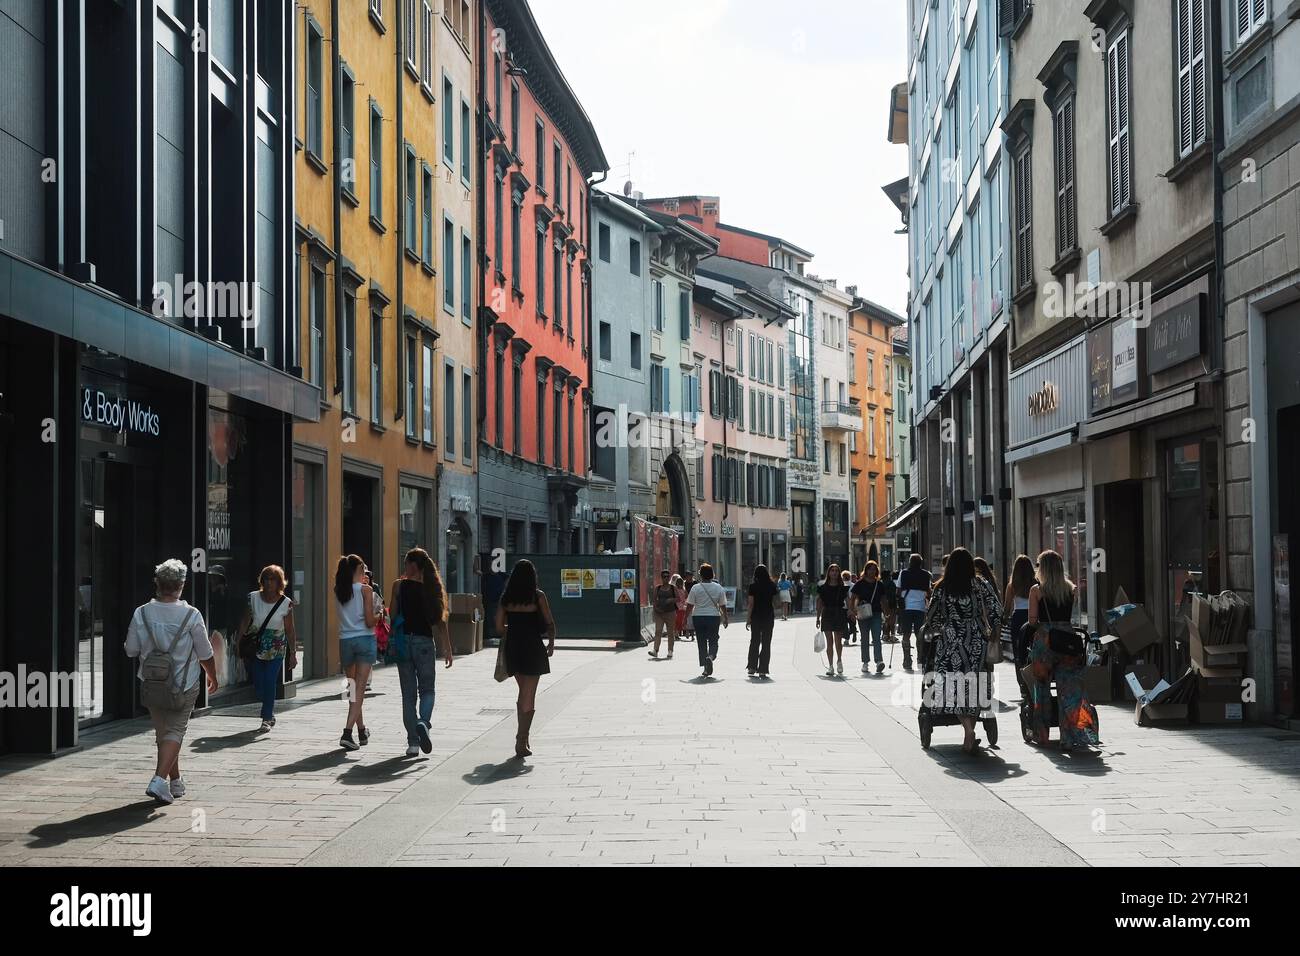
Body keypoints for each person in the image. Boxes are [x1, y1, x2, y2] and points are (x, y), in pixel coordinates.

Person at [124, 559, 218, 804]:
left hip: (151, 683)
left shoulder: (141, 612)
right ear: (182, 585)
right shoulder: (191, 614)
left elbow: (131, 650)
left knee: (164, 732)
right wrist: (212, 675)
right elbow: (205, 653)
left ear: (157, 583)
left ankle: (175, 782)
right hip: (183, 684)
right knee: (175, 731)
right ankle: (158, 780)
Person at [919, 548, 1003, 754]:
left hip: (950, 640)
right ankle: (969, 732)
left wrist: (942, 626)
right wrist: (994, 630)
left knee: (953, 686)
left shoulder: (942, 587)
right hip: (975, 638)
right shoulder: (980, 584)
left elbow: (931, 616)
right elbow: (996, 609)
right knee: (972, 686)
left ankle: (967, 730)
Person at [1025, 550, 1100, 752]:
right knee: (1070, 692)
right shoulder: (1071, 589)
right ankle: (1071, 736)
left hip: (1045, 642)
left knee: (1041, 690)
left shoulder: (1036, 590)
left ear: (1044, 568)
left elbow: (1032, 621)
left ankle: (1042, 735)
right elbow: (1068, 615)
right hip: (1067, 640)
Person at [391, 548, 455, 757]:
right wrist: (447, 648)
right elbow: (440, 622)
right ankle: (423, 722)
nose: (404, 567)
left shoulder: (398, 586)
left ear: (413, 566)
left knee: (408, 696)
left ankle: (412, 744)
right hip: (425, 643)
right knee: (427, 690)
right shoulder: (431, 589)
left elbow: (392, 615)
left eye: (406, 563)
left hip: (404, 643)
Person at [495, 559, 556, 758]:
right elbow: (550, 623)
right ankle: (522, 740)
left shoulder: (506, 598)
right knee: (528, 695)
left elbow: (498, 627)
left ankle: (523, 738)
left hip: (513, 647)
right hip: (532, 647)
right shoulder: (538, 596)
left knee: (523, 692)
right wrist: (551, 643)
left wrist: (512, 630)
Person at [233, 565, 297, 732]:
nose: (269, 583)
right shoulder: (252, 598)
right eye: (267, 579)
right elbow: (245, 622)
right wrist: (238, 643)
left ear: (279, 583)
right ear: (262, 581)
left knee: (269, 681)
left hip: (276, 647)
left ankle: (266, 717)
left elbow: (290, 629)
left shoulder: (286, 603)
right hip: (256, 646)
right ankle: (268, 710)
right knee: (259, 684)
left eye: (273, 580)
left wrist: (293, 654)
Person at [334, 554, 378, 751]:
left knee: (352, 688)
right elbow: (370, 621)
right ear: (357, 572)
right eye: (363, 570)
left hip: (345, 641)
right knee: (359, 689)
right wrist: (381, 615)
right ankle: (347, 732)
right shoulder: (366, 590)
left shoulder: (339, 590)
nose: (365, 574)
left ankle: (361, 730)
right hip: (364, 640)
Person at [685, 563, 729, 678]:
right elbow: (723, 605)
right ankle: (711, 657)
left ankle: (705, 667)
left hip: (698, 617)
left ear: (700, 575)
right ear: (712, 574)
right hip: (713, 617)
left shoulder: (695, 588)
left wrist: (685, 619)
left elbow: (690, 605)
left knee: (701, 642)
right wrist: (725, 618)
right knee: (713, 640)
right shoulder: (718, 587)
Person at [849, 561, 890, 675]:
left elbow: (883, 600)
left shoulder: (879, 584)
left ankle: (879, 661)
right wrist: (852, 611)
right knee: (865, 638)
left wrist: (887, 613)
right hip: (863, 614)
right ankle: (865, 662)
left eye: (874, 569)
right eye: (870, 569)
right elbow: (853, 598)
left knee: (876, 637)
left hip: (876, 613)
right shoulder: (860, 583)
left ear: (876, 571)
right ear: (865, 570)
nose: (872, 571)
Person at [895, 554, 932, 672]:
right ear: (921, 563)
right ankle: (920, 659)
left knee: (906, 634)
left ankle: (907, 659)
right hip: (920, 608)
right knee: (919, 634)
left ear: (910, 562)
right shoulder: (926, 575)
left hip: (906, 607)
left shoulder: (904, 573)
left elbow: (898, 590)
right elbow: (929, 592)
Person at [1004, 554, 1036, 686]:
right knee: (1034, 650)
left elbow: (1006, 608)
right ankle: (1034, 679)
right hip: (1033, 618)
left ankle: (1022, 684)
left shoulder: (1012, 586)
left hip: (1018, 620)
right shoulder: (1036, 584)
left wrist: (1005, 619)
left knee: (1018, 653)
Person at [816, 564, 850, 676]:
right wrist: (818, 617)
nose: (834, 573)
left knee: (838, 640)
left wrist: (850, 610)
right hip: (827, 613)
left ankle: (839, 660)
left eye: (836, 571)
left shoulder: (843, 587)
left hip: (839, 613)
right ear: (828, 573)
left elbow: (848, 600)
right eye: (832, 571)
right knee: (829, 641)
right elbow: (820, 603)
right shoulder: (822, 588)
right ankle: (830, 666)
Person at [745, 564, 779, 678]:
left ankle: (751, 667)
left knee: (754, 641)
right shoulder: (772, 585)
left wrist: (748, 618)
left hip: (756, 616)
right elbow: (776, 602)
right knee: (766, 642)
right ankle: (763, 669)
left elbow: (750, 604)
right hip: (768, 616)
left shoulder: (753, 586)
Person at [650, 569, 679, 660]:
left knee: (670, 632)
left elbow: (678, 598)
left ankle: (670, 651)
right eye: (664, 577)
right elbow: (654, 600)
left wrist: (671, 600)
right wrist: (656, 608)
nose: (665, 578)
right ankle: (655, 650)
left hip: (671, 613)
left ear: (669, 577)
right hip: (660, 613)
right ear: (661, 578)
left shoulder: (672, 588)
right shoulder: (658, 588)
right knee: (658, 631)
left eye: (667, 576)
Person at [680, 570, 697, 640]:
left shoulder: (695, 583)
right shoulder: (683, 583)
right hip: (686, 602)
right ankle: (686, 631)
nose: (688, 577)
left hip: (694, 602)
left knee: (692, 618)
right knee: (686, 617)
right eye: (686, 576)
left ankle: (692, 633)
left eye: (689, 576)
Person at [843, 569, 859, 645]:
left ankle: (846, 639)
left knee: (844, 624)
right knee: (852, 622)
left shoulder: (841, 585)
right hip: (852, 607)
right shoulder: (853, 585)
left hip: (843, 607)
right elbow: (856, 597)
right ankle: (853, 630)